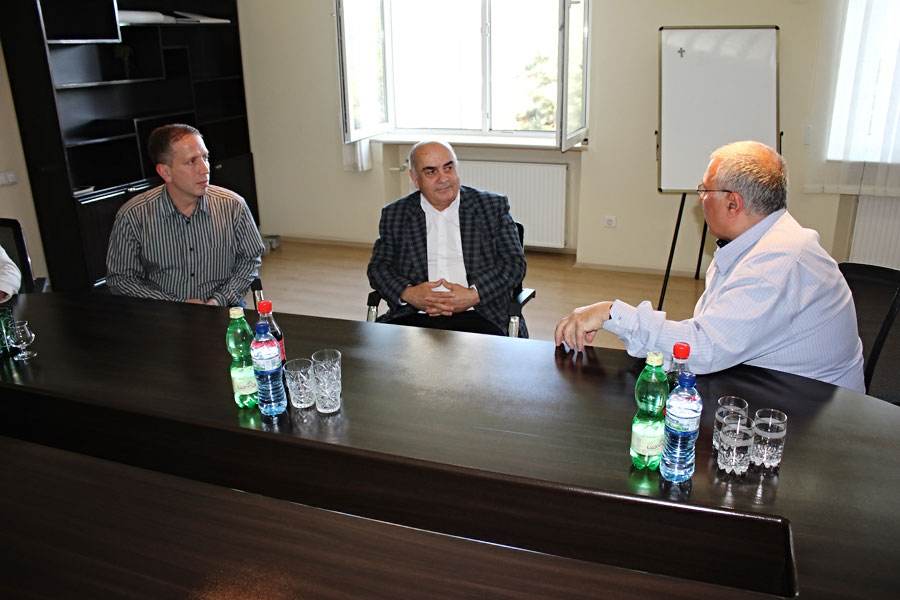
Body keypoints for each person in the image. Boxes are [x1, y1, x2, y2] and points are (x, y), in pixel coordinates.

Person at [555, 140, 865, 392]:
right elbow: (711, 331)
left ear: (733, 203)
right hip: (776, 387)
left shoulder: (775, 263)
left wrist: (611, 312)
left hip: (811, 416)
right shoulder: (758, 242)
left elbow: (702, 349)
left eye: (705, 190)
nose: (700, 198)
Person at [367, 141, 528, 336]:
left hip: (480, 315)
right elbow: (378, 268)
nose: (443, 179)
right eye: (431, 172)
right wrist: (408, 293)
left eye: (448, 168)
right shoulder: (396, 214)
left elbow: (514, 264)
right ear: (415, 179)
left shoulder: (491, 207)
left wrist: (474, 295)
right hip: (414, 315)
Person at [106, 124, 264, 306]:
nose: (205, 169)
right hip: (162, 313)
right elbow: (121, 279)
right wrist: (177, 304)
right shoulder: (133, 215)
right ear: (165, 172)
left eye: (205, 158)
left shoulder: (233, 206)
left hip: (224, 309)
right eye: (192, 161)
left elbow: (250, 260)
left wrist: (218, 300)